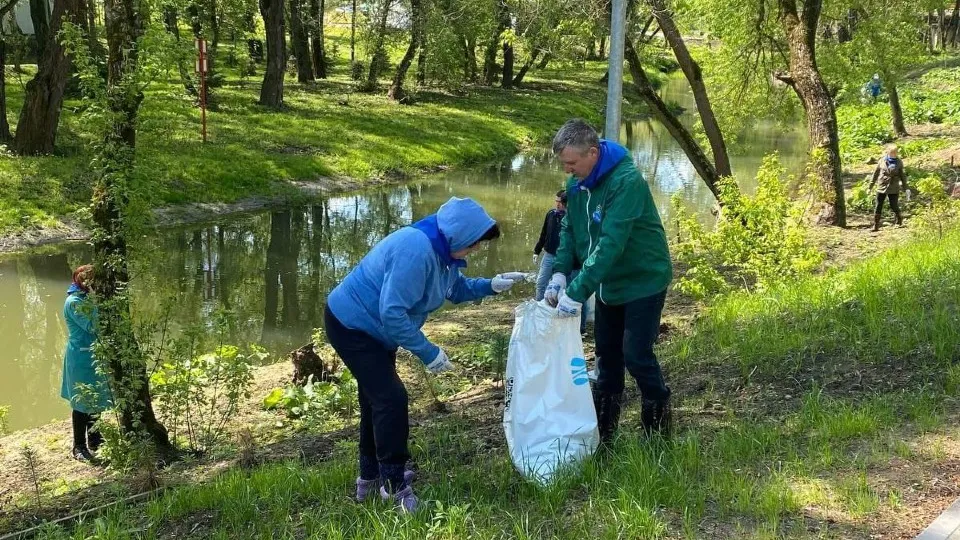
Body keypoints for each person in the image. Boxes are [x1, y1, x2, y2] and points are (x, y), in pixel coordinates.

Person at [324, 196, 525, 512]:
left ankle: (370, 477)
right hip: (353, 325)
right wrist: (428, 352)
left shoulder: (443, 250)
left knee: (376, 400)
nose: (476, 251)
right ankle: (394, 486)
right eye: (475, 245)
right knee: (391, 399)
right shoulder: (416, 251)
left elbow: (454, 290)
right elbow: (392, 313)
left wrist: (492, 286)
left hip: (376, 330)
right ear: (460, 236)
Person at [544, 119, 673, 444]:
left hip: (643, 279)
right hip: (607, 283)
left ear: (592, 152)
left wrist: (576, 293)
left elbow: (610, 244)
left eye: (572, 163)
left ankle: (657, 432)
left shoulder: (626, 182)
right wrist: (559, 275)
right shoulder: (578, 184)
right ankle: (604, 433)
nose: (568, 170)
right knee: (606, 356)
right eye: (564, 164)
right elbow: (571, 231)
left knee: (636, 353)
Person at [60, 264, 111, 463]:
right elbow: (93, 326)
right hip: (80, 357)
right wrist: (101, 303)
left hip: (93, 355)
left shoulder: (85, 299)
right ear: (86, 282)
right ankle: (79, 446)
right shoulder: (74, 302)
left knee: (95, 396)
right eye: (95, 282)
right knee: (81, 401)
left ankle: (95, 438)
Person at [533, 190, 567, 301]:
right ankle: (539, 308)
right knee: (541, 283)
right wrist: (537, 251)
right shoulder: (550, 214)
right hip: (549, 255)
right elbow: (543, 234)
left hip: (563, 257)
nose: (558, 204)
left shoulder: (571, 218)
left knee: (561, 287)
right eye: (556, 201)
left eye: (560, 202)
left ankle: (555, 308)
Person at [869, 144, 909, 231]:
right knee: (878, 205)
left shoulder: (899, 162)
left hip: (893, 187)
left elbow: (903, 176)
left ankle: (899, 219)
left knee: (893, 205)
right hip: (882, 185)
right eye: (892, 152)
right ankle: (876, 225)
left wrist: (906, 188)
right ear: (888, 152)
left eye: (895, 152)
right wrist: (870, 186)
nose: (894, 154)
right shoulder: (882, 160)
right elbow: (875, 173)